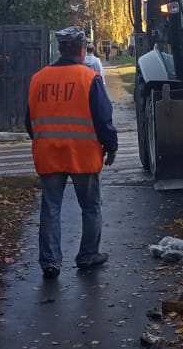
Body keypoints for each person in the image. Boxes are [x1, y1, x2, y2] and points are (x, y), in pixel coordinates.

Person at [26, 26, 118, 276]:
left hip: (48, 153)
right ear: (81, 50)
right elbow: (103, 118)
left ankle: (50, 262)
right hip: (83, 153)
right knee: (90, 206)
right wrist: (111, 147)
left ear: (60, 49)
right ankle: (88, 255)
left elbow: (29, 121)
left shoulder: (38, 79)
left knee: (50, 208)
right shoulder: (88, 78)